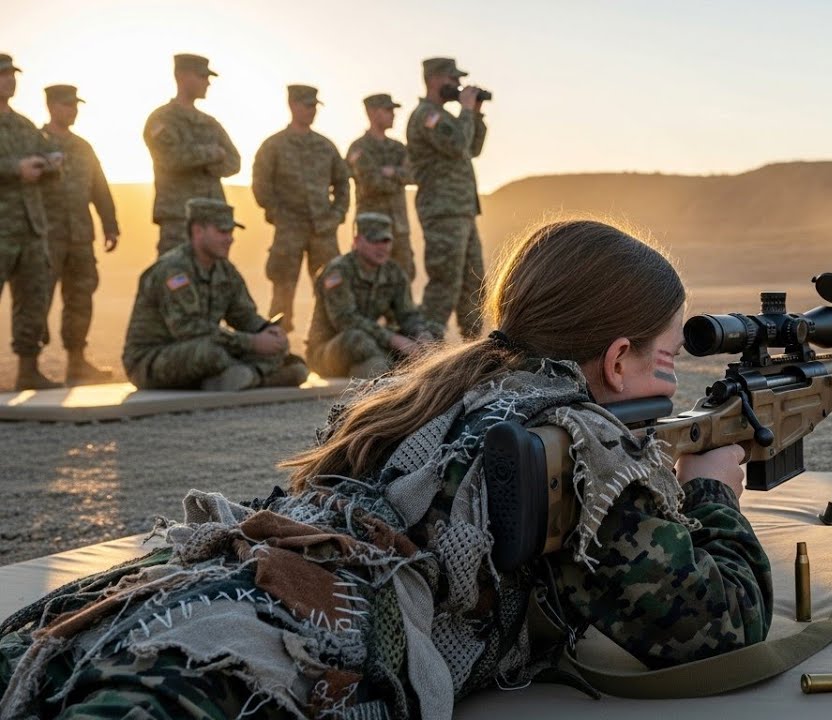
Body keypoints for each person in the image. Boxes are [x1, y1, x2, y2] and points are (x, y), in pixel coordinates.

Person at [0, 219, 771, 718]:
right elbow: (717, 626)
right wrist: (712, 491)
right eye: (666, 357)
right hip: (293, 658)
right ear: (616, 358)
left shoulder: (429, 391)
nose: (673, 378)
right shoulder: (579, 445)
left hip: (202, 597)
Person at [121, 198, 309, 391]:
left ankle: (241, 377)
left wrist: (269, 332)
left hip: (209, 348)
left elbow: (244, 316)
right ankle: (255, 377)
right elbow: (189, 329)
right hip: (152, 360)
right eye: (222, 232)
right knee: (210, 353)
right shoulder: (173, 271)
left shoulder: (225, 271)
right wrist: (253, 343)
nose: (230, 239)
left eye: (231, 232)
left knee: (289, 360)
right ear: (198, 231)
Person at [253, 84, 350, 333]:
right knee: (283, 290)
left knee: (332, 287)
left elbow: (343, 183)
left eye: (315, 106)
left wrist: (336, 215)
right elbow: (261, 185)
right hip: (289, 230)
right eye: (307, 106)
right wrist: (278, 214)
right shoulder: (274, 145)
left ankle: (325, 341)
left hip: (323, 230)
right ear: (292, 105)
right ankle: (277, 344)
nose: (312, 111)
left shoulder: (325, 146)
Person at [40, 84, 120, 385]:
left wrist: (110, 224)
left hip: (80, 237)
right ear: (51, 107)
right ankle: (29, 364)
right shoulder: (35, 142)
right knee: (37, 297)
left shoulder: (83, 147)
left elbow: (99, 188)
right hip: (45, 236)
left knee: (80, 297)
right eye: (67, 105)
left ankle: (77, 363)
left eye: (75, 105)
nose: (72, 111)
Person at [407, 57, 488, 339]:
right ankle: (426, 347)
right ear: (434, 80)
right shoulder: (427, 116)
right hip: (442, 211)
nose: (457, 85)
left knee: (473, 282)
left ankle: (473, 345)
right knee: (445, 281)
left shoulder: (448, 118)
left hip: (462, 210)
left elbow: (473, 148)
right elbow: (457, 145)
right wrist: (465, 110)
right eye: (452, 79)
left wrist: (475, 114)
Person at [306, 212, 438, 378]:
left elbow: (408, 315)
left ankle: (381, 370)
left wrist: (422, 335)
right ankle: (385, 372)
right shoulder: (338, 271)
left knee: (433, 334)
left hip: (372, 345)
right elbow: (345, 320)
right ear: (357, 241)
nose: (382, 247)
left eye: (386, 241)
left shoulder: (393, 273)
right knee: (358, 339)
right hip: (330, 351)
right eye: (374, 241)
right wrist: (392, 339)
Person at [0, 53, 63, 390]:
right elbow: (18, 167)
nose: (9, 80)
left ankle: (28, 370)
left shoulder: (24, 125)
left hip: (30, 228)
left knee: (33, 299)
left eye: (12, 74)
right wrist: (15, 169)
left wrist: (50, 163)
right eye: (3, 75)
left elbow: (43, 156)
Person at [143, 53, 240, 255]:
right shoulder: (161, 119)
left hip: (213, 218)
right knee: (174, 270)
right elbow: (169, 158)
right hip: (178, 216)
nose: (207, 83)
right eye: (202, 76)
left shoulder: (210, 123)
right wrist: (212, 154)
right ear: (181, 76)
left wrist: (196, 159)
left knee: (214, 272)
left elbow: (234, 162)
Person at [347, 93, 415, 280]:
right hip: (370, 230)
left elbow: (414, 175)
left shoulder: (398, 148)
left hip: (399, 228)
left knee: (403, 277)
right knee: (367, 279)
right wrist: (398, 177)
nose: (393, 115)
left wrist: (392, 172)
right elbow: (371, 183)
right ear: (372, 113)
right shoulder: (359, 148)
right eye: (388, 110)